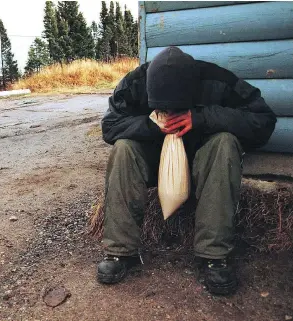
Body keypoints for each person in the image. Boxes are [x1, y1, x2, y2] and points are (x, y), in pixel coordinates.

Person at [97, 46, 277, 295]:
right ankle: (119, 251)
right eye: (163, 107)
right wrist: (150, 126)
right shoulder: (135, 82)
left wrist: (201, 118)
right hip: (155, 157)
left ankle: (214, 255)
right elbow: (109, 127)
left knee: (224, 143)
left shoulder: (217, 81)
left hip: (204, 160)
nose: (170, 114)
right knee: (123, 148)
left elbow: (264, 121)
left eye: (176, 108)